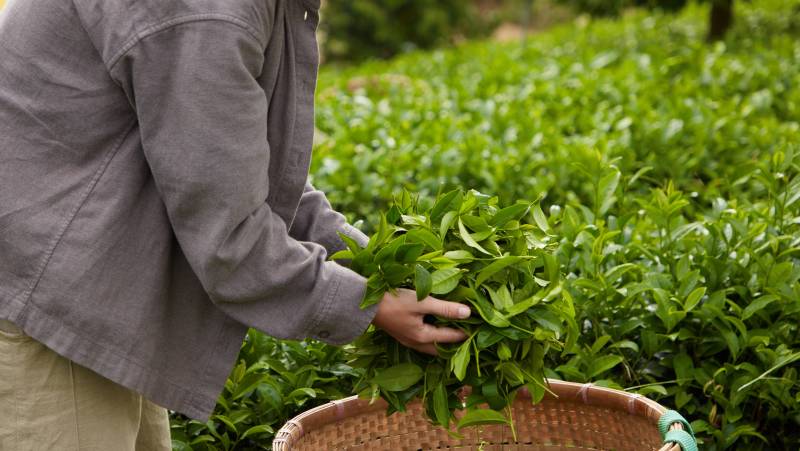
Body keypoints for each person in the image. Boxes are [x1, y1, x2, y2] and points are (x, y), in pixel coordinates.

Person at [0, 0, 469, 448]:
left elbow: (239, 180)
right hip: (38, 308)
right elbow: (231, 239)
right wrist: (369, 305)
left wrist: (384, 266)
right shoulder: (208, 14)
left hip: (89, 294)